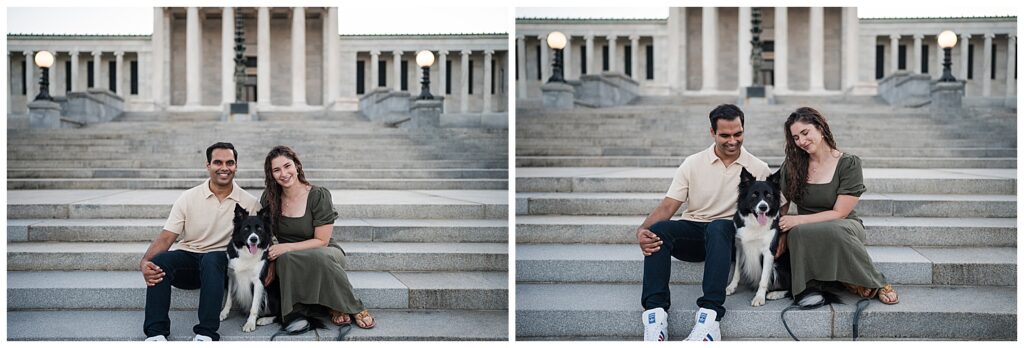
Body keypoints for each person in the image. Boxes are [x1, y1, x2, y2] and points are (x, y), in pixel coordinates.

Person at [637, 104, 772, 341]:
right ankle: (655, 316)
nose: (733, 140)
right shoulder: (693, 163)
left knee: (721, 225)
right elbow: (669, 205)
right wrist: (642, 230)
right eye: (725, 135)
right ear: (712, 133)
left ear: (743, 130)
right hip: (695, 231)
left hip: (729, 239)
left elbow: (771, 210)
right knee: (658, 230)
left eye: (738, 134)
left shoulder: (758, 168)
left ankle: (709, 318)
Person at [775, 107, 899, 305]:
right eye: (796, 138)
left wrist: (797, 219)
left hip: (843, 225)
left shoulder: (848, 163)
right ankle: (820, 283)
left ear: (821, 128)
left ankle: (876, 282)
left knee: (828, 229)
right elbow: (781, 204)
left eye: (805, 133)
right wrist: (781, 233)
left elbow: (840, 213)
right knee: (796, 233)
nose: (801, 141)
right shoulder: (792, 165)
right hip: (806, 231)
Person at [141, 142, 260, 341]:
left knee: (213, 259)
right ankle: (156, 333)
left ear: (236, 166)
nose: (224, 167)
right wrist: (146, 262)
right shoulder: (188, 197)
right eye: (218, 162)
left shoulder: (249, 203)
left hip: (221, 267)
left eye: (230, 162)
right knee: (160, 262)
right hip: (190, 260)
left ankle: (206, 333)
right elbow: (166, 237)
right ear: (208, 166)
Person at [260, 145, 376, 329]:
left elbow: (321, 241)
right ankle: (305, 310)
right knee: (286, 260)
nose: (283, 173)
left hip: (323, 251)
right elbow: (269, 237)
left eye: (287, 166)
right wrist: (272, 262)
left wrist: (286, 247)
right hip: (288, 258)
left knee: (316, 256)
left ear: (297, 166)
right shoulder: (269, 198)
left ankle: (351, 306)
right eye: (276, 170)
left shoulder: (318, 195)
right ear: (271, 174)